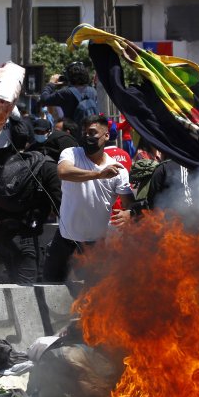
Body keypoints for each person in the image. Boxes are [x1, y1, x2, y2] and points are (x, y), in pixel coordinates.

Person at [42, 114, 134, 282]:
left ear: (106, 136)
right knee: (51, 284)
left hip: (95, 245)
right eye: (84, 133)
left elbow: (129, 204)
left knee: (94, 293)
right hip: (64, 240)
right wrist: (98, 174)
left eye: (92, 133)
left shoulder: (118, 170)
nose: (87, 137)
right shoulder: (71, 153)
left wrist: (128, 213)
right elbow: (63, 172)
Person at [0, 116, 62, 284]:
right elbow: (59, 201)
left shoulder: (13, 161)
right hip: (24, 234)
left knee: (12, 281)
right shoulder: (49, 166)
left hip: (1, 232)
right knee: (26, 286)